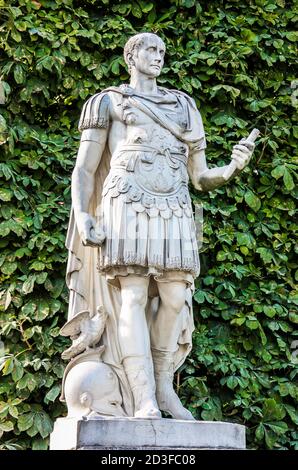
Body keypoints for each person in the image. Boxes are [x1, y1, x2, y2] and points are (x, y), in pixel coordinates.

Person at [66, 32, 254, 420]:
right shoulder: (108, 102)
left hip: (174, 205)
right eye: (150, 50)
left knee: (174, 296)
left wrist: (233, 167)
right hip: (126, 202)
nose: (159, 56)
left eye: (163, 51)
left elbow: (200, 177)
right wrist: (83, 213)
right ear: (130, 56)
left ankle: (165, 385)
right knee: (133, 296)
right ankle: (144, 395)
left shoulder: (184, 106)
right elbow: (85, 167)